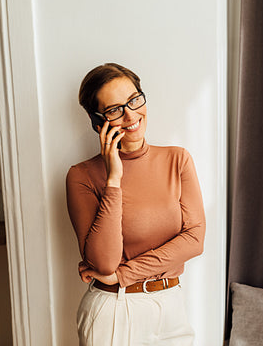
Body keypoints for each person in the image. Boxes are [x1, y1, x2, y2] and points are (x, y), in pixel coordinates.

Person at [66, 63, 205, 345]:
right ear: (97, 122)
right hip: (115, 310)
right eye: (115, 109)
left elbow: (195, 240)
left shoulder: (177, 160)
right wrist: (114, 179)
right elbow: (103, 261)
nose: (131, 114)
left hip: (172, 306)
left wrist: (122, 273)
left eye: (134, 99)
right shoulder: (81, 176)